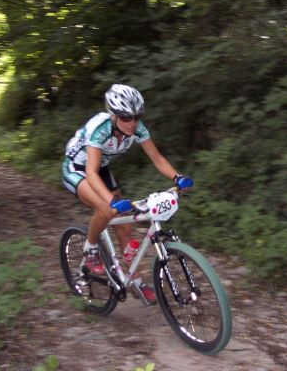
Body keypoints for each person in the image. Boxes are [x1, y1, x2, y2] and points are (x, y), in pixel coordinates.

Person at [62, 84, 193, 304]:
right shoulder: (100, 128)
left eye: (136, 117)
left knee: (125, 226)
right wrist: (112, 199)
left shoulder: (138, 128)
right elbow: (91, 173)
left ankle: (136, 282)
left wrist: (177, 178)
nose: (132, 123)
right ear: (113, 115)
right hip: (78, 169)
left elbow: (157, 158)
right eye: (126, 118)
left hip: (100, 168)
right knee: (107, 209)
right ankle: (91, 251)